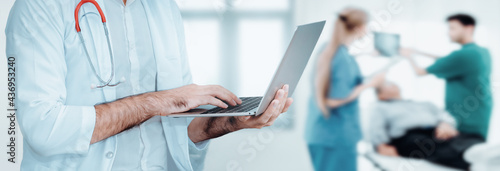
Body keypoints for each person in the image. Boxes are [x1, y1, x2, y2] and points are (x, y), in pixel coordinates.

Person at [5, 0, 293, 170]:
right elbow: (45, 129)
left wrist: (232, 121)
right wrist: (157, 102)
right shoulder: (40, 6)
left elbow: (177, 131)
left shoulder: (163, 8)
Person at [304, 7, 385, 171]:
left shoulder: (329, 50)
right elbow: (333, 101)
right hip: (337, 137)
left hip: (320, 134)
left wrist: (366, 55)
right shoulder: (342, 59)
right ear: (360, 28)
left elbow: (338, 72)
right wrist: (369, 85)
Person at [401, 14, 492, 140]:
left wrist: (408, 56)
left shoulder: (462, 55)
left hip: (464, 120)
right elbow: (447, 60)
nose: (448, 33)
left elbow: (420, 72)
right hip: (479, 115)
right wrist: (418, 52)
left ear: (469, 28)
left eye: (452, 28)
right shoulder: (481, 52)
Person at [368, 82, 485, 170]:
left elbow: (443, 115)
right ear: (380, 95)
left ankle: (484, 153)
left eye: (392, 84)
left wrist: (445, 124)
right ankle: (476, 160)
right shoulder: (380, 107)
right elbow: (375, 127)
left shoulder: (423, 104)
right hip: (409, 136)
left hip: (437, 129)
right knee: (432, 146)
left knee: (471, 138)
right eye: (387, 85)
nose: (392, 85)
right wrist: (380, 145)